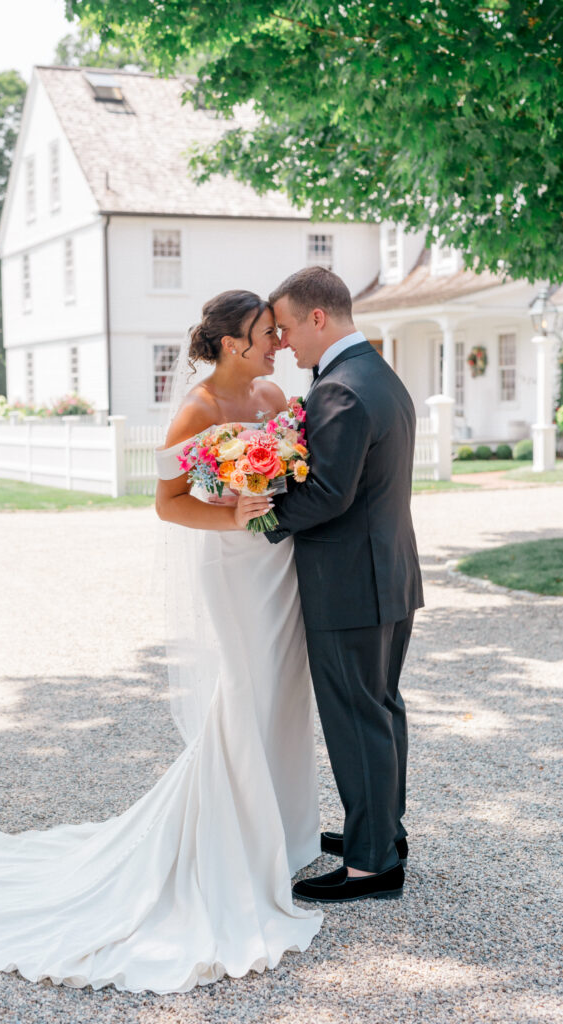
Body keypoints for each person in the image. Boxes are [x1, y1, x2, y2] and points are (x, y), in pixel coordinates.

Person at [0, 289, 323, 994]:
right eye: (262, 335)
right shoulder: (197, 411)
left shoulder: (275, 394)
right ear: (226, 344)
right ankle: (232, 842)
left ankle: (283, 835)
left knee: (284, 691)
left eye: (276, 333)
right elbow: (169, 502)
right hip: (233, 563)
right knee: (244, 689)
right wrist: (237, 516)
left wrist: (272, 493)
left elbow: (291, 469)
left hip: (278, 565)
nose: (276, 342)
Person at [265, 266, 424, 904]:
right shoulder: (379, 376)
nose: (282, 343)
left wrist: (261, 516)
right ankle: (382, 831)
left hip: (348, 582)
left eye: (285, 328)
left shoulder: (339, 390)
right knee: (381, 708)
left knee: (357, 716)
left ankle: (371, 865)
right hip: (388, 571)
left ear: (318, 318)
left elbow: (330, 493)